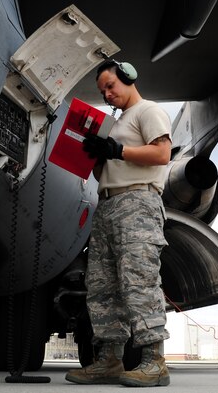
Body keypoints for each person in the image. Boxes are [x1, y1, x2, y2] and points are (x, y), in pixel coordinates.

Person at [65, 60, 172, 388]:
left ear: (128, 78)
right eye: (103, 91)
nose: (107, 94)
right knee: (102, 285)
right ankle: (109, 359)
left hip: (137, 203)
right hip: (109, 204)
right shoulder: (115, 124)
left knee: (138, 281)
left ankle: (154, 361)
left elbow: (162, 153)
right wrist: (99, 156)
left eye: (111, 86)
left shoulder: (147, 111)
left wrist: (118, 150)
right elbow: (106, 173)